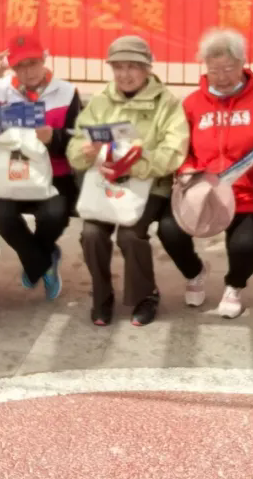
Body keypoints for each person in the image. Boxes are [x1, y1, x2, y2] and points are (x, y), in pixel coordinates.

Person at [157, 28, 253, 318]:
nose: (221, 76)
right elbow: (180, 147)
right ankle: (195, 272)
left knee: (246, 244)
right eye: (214, 70)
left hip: (250, 190)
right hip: (203, 189)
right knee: (169, 229)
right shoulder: (192, 103)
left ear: (242, 63)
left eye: (229, 68)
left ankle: (234, 285)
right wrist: (186, 168)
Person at [67, 35, 189, 327]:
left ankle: (146, 295)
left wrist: (135, 163)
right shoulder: (101, 101)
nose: (125, 74)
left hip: (151, 187)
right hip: (105, 184)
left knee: (130, 234)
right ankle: (101, 295)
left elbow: (174, 152)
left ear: (147, 68)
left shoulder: (167, 103)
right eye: (118, 67)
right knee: (92, 233)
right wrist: (85, 152)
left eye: (133, 66)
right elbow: (75, 147)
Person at [0, 33, 81, 299]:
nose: (27, 71)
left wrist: (54, 137)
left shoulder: (66, 92)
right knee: (1, 215)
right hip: (11, 171)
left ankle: (36, 258)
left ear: (44, 59)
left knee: (55, 214)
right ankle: (41, 262)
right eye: (20, 65)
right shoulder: (1, 89)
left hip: (54, 173)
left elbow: (78, 138)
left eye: (33, 63)